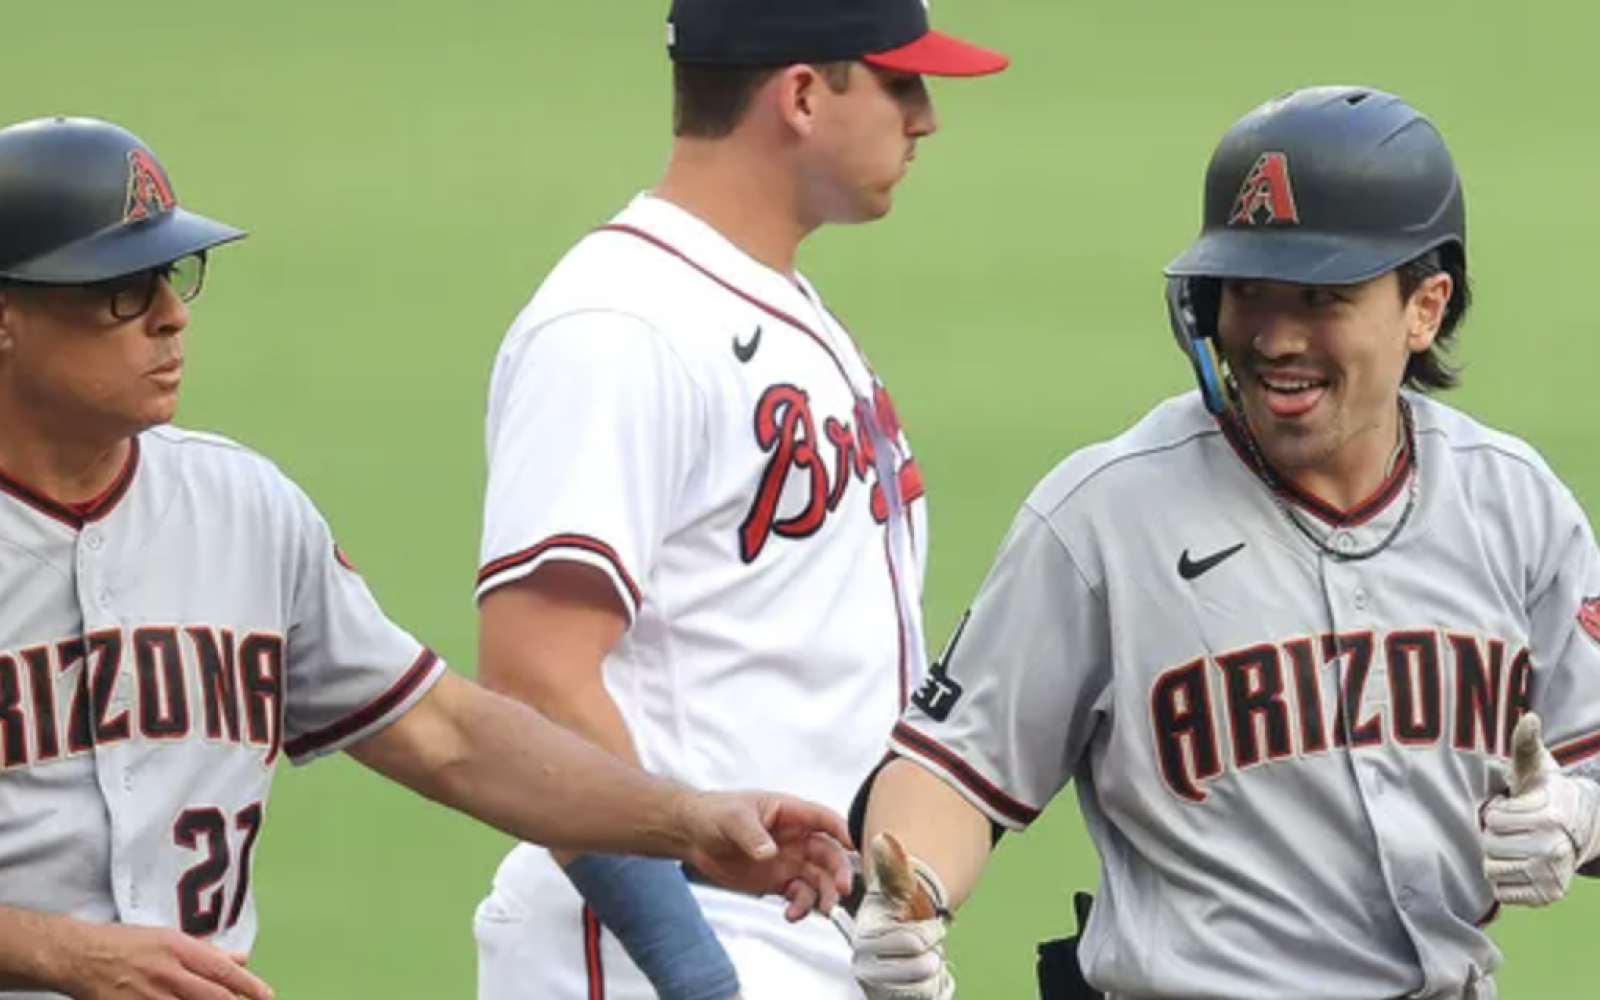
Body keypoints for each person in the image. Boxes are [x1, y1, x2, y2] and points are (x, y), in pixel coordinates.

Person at [0, 115, 853, 1000]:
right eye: (122, 290)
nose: (172, 317)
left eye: (174, 276)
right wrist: (62, 955)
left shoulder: (245, 510)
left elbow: (448, 735)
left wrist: (684, 820)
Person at [842, 85, 1600, 1000]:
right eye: (1248, 291)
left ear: (1424, 307)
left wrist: (1578, 817)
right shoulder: (1107, 514)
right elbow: (953, 767)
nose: (1276, 337)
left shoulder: (1513, 504)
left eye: (1322, 297)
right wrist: (908, 899)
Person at [467, 0, 1007, 996]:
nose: (925, 116)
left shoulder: (769, 305)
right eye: (898, 83)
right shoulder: (620, 324)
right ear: (801, 93)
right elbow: (532, 680)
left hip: (790, 940)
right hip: (663, 948)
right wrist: (691, 968)